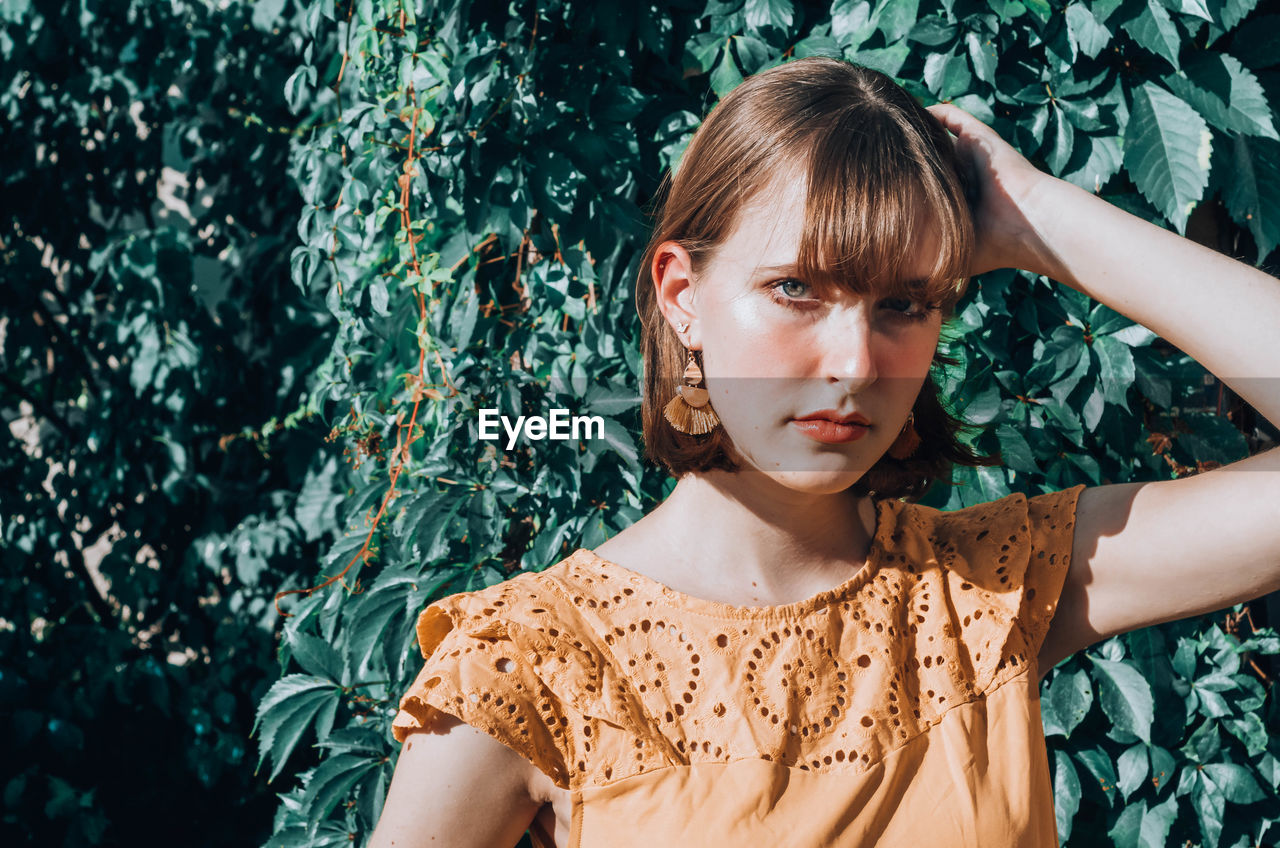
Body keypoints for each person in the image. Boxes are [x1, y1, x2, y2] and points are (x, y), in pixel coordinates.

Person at [368, 57, 1280, 848]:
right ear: (682, 293)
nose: (854, 363)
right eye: (796, 287)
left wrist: (1040, 217)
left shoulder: (993, 592)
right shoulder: (528, 666)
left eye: (904, 304)